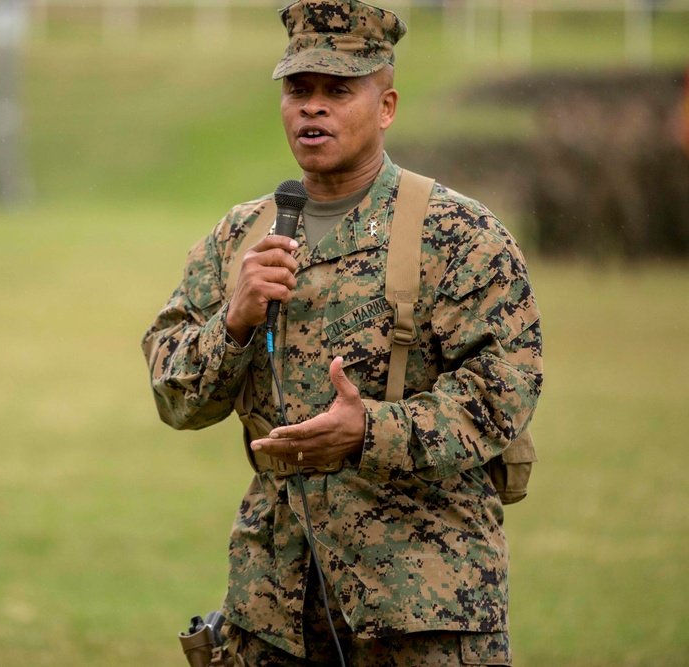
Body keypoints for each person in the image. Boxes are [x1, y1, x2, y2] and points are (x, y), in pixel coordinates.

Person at [141, 1, 543, 665]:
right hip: (276, 610)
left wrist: (371, 431)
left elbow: (504, 392)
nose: (312, 109)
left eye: (337, 90)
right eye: (299, 90)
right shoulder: (242, 236)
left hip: (422, 611)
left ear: (385, 106)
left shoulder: (461, 237)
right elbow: (174, 394)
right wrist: (234, 319)